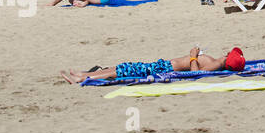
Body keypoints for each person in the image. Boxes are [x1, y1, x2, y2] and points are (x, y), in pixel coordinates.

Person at [61, 46, 246, 84]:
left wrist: (192, 56)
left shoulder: (215, 64)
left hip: (164, 69)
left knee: (124, 71)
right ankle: (84, 73)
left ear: (228, 58)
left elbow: (195, 74)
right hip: (163, 65)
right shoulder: (217, 62)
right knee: (124, 67)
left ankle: (84, 78)